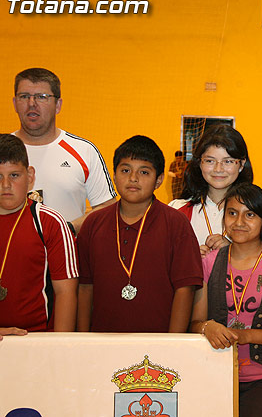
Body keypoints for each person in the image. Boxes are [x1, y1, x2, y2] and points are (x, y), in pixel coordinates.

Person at [191, 183, 262, 417]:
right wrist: (206, 326)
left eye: (250, 214)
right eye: (232, 213)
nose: (239, 222)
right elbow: (194, 322)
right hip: (215, 371)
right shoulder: (209, 263)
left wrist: (247, 335)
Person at [77, 135, 203, 333]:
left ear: (159, 179)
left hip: (158, 344)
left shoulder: (176, 223)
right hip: (102, 342)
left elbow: (185, 289)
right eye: (125, 170)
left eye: (144, 172)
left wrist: (173, 342)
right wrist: (83, 340)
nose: (133, 178)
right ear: (113, 175)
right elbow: (85, 286)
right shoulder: (93, 223)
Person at [12, 68, 116, 233]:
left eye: (41, 97)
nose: (32, 103)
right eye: (24, 96)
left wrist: (69, 229)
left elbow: (107, 208)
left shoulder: (84, 151)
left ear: (58, 105)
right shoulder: (4, 149)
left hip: (67, 257)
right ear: (15, 103)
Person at [0, 134, 78, 337]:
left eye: (14, 175)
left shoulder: (50, 222)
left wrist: (59, 346)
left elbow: (66, 292)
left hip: (37, 339)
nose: (6, 184)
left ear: (30, 176)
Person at [169, 124, 253, 255]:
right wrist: (188, 258)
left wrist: (234, 252)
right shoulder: (176, 211)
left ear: (241, 164)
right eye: (210, 161)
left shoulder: (256, 212)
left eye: (228, 161)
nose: (218, 169)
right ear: (199, 163)